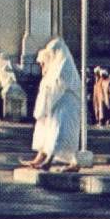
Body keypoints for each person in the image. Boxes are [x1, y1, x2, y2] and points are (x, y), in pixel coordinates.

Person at [20, 38, 81, 171]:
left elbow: (59, 86)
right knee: (51, 133)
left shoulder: (65, 65)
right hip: (58, 105)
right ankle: (40, 158)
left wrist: (47, 103)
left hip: (67, 105)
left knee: (60, 133)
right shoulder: (56, 66)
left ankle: (49, 161)